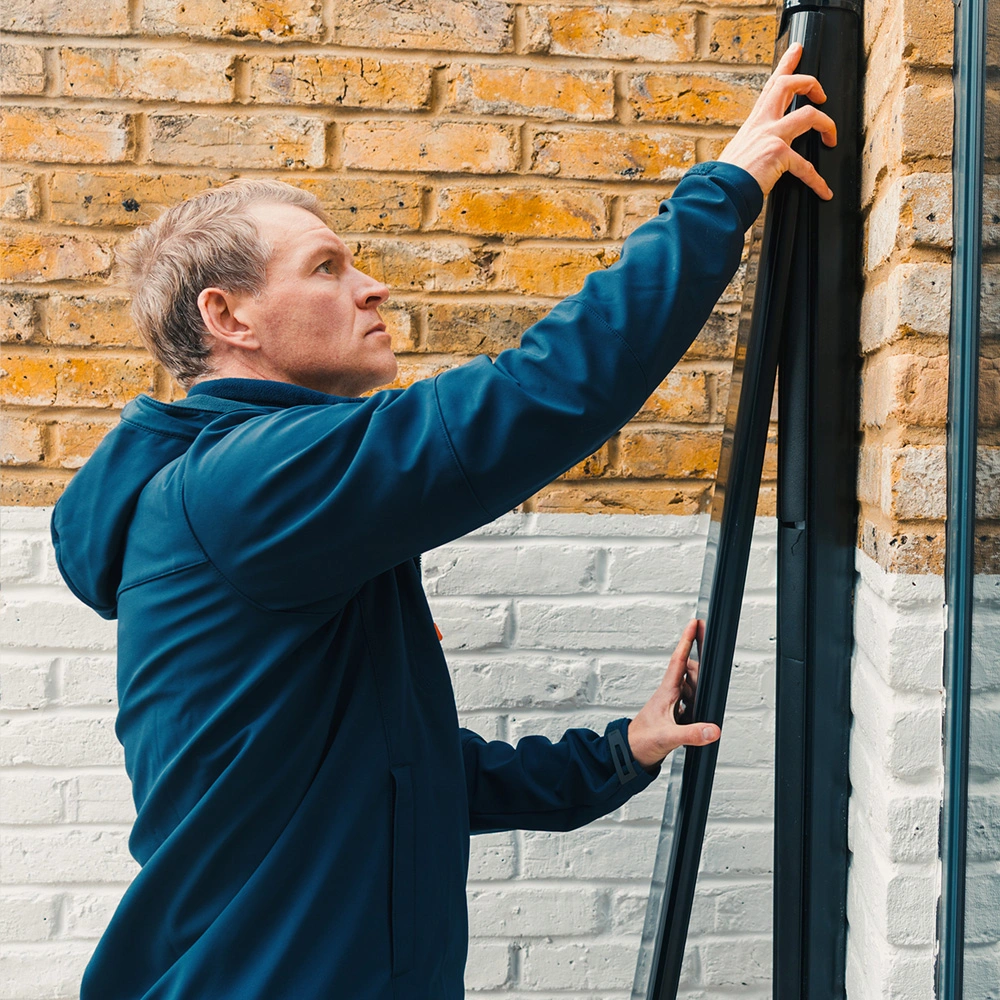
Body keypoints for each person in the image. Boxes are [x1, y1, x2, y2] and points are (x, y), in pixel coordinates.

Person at [51, 43, 835, 1000]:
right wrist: (722, 192)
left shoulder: (264, 504)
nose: (370, 285)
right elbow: (535, 397)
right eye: (327, 266)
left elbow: (397, 775)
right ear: (231, 317)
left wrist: (617, 754)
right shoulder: (251, 485)